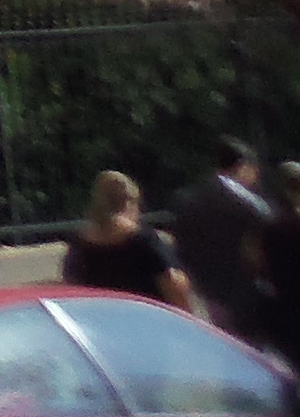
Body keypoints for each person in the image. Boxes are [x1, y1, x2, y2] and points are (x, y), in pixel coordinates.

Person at [168, 135, 285, 354]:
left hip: (202, 295)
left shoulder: (187, 200)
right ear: (242, 165)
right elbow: (272, 235)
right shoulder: (249, 203)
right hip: (243, 298)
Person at [63, 169, 199, 312]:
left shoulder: (80, 242)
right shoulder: (143, 241)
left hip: (102, 324)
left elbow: (72, 288)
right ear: (129, 202)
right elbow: (173, 287)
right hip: (147, 321)